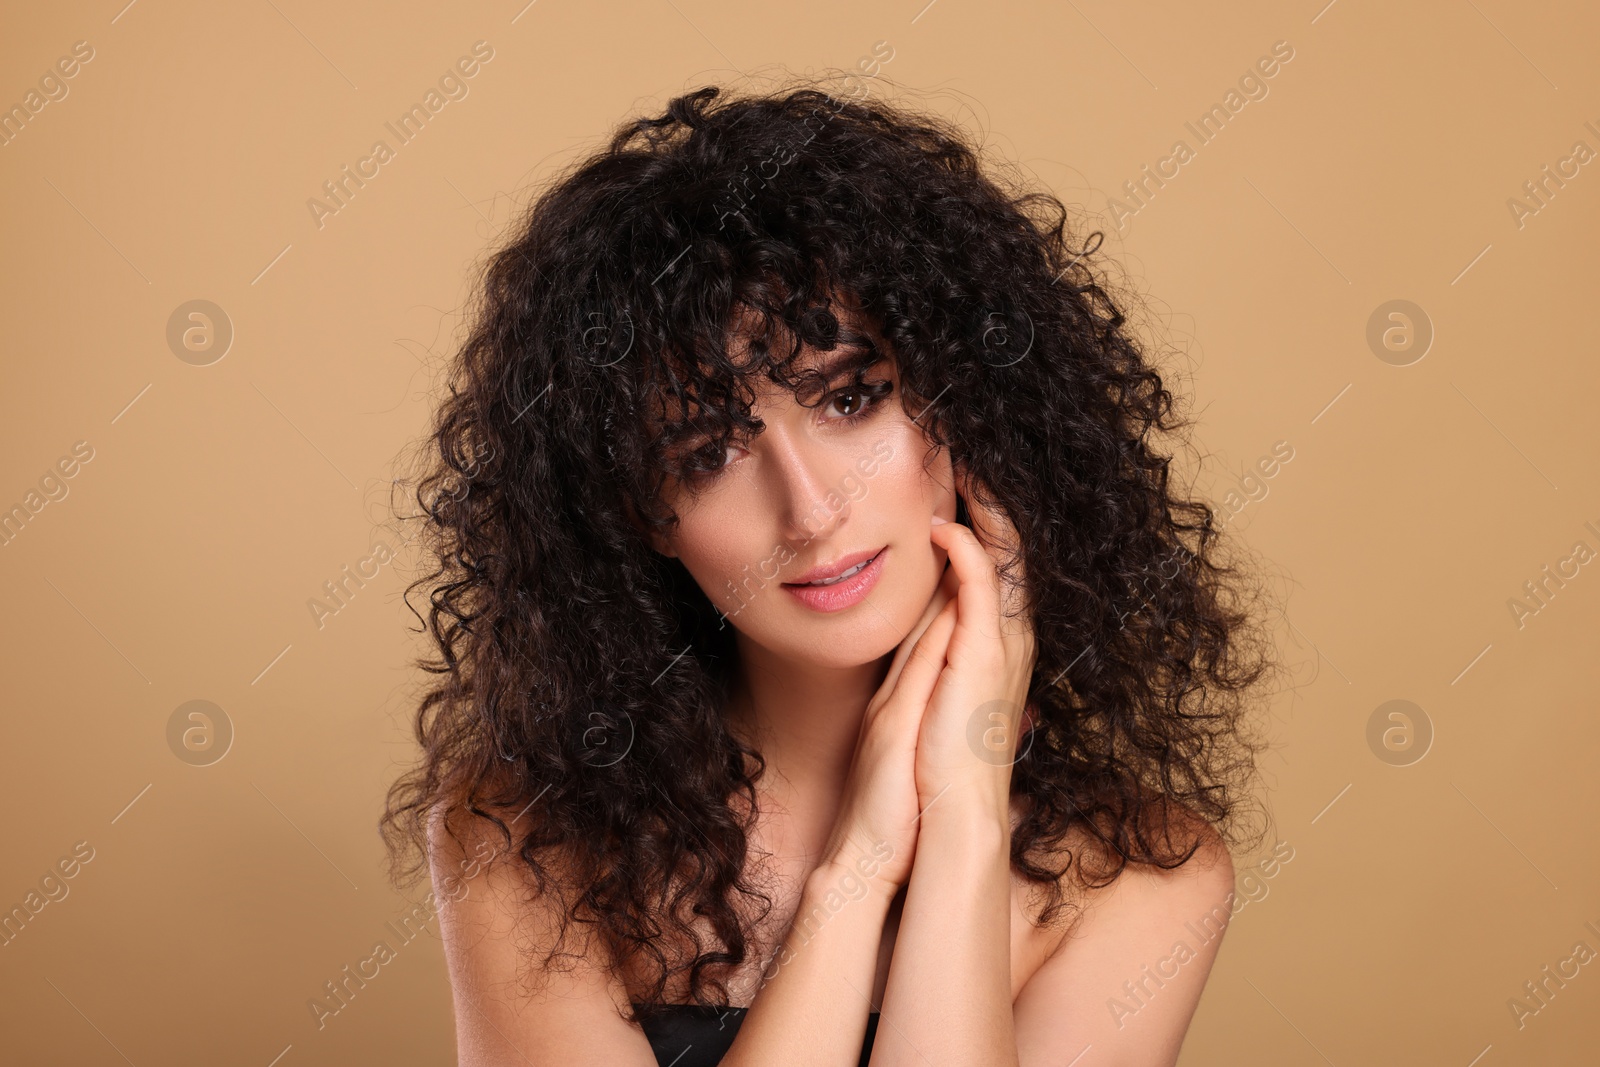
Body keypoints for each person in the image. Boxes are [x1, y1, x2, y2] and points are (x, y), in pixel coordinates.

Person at [380, 79, 1276, 1066]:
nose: (809, 513)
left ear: (965, 402)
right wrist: (861, 859)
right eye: (705, 454)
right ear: (640, 515)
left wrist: (965, 812)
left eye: (850, 399)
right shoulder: (525, 840)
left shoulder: (1144, 881)